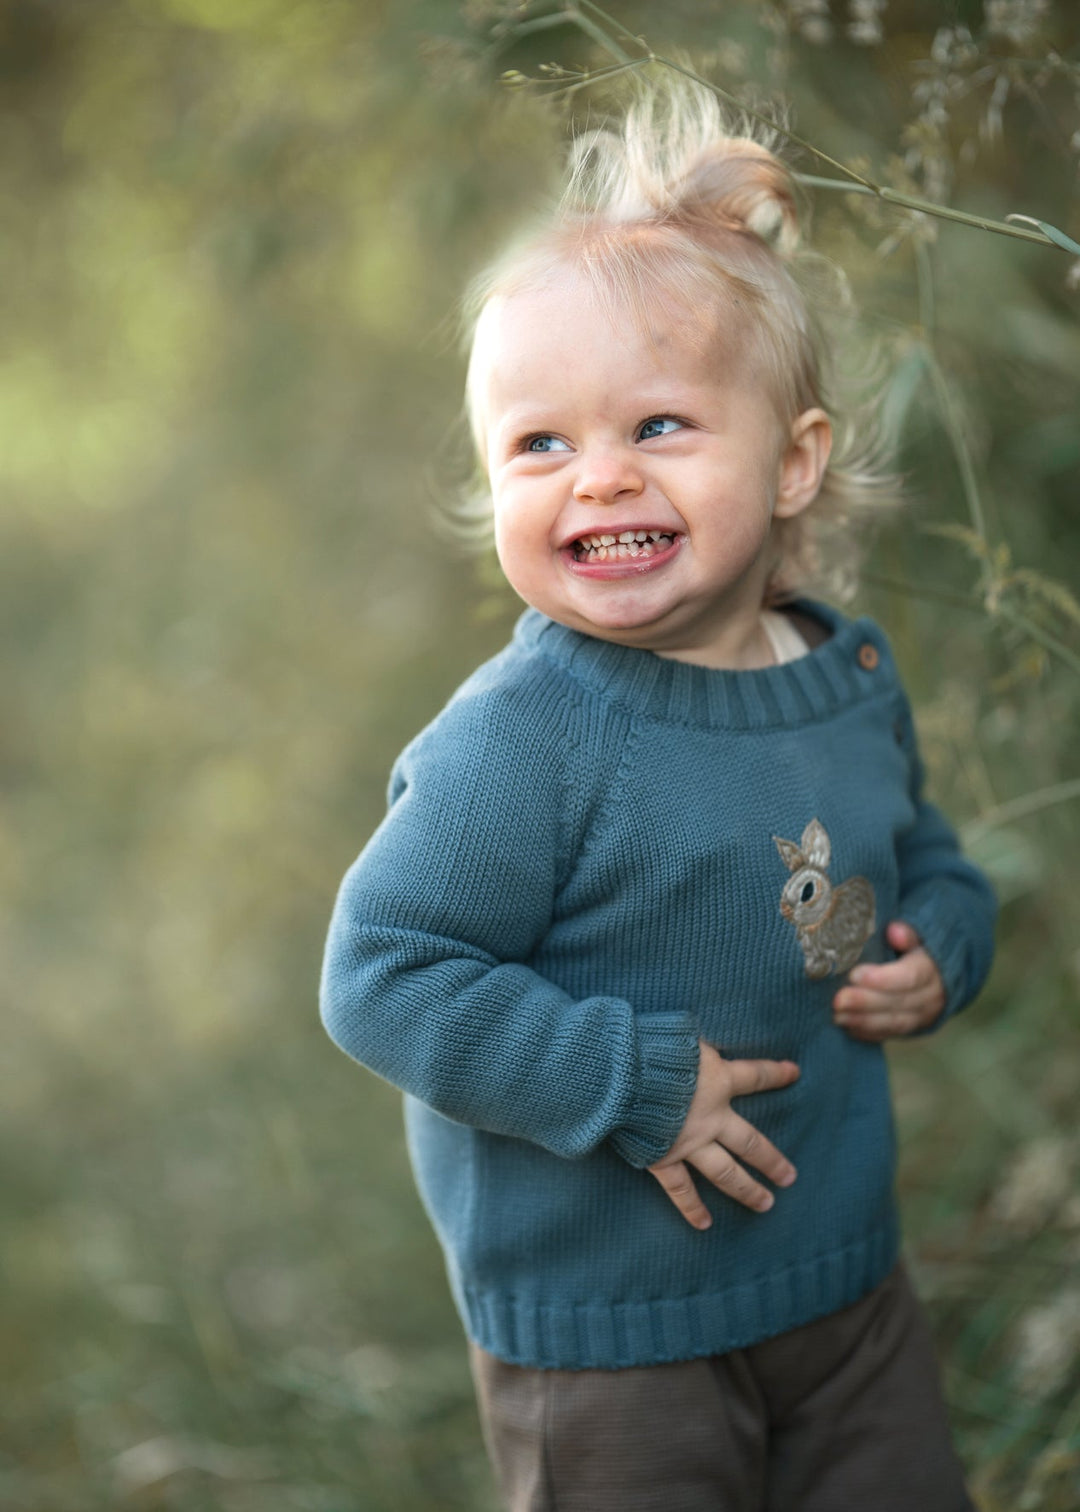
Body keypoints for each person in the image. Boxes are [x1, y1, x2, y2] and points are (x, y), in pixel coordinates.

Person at [319, 80, 997, 1512]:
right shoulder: (527, 738)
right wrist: (629, 1083)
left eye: (663, 425)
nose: (599, 477)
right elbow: (382, 974)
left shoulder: (839, 675)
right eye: (541, 445)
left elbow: (900, 853)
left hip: (844, 1290)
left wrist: (937, 940)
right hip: (613, 1340)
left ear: (795, 461)